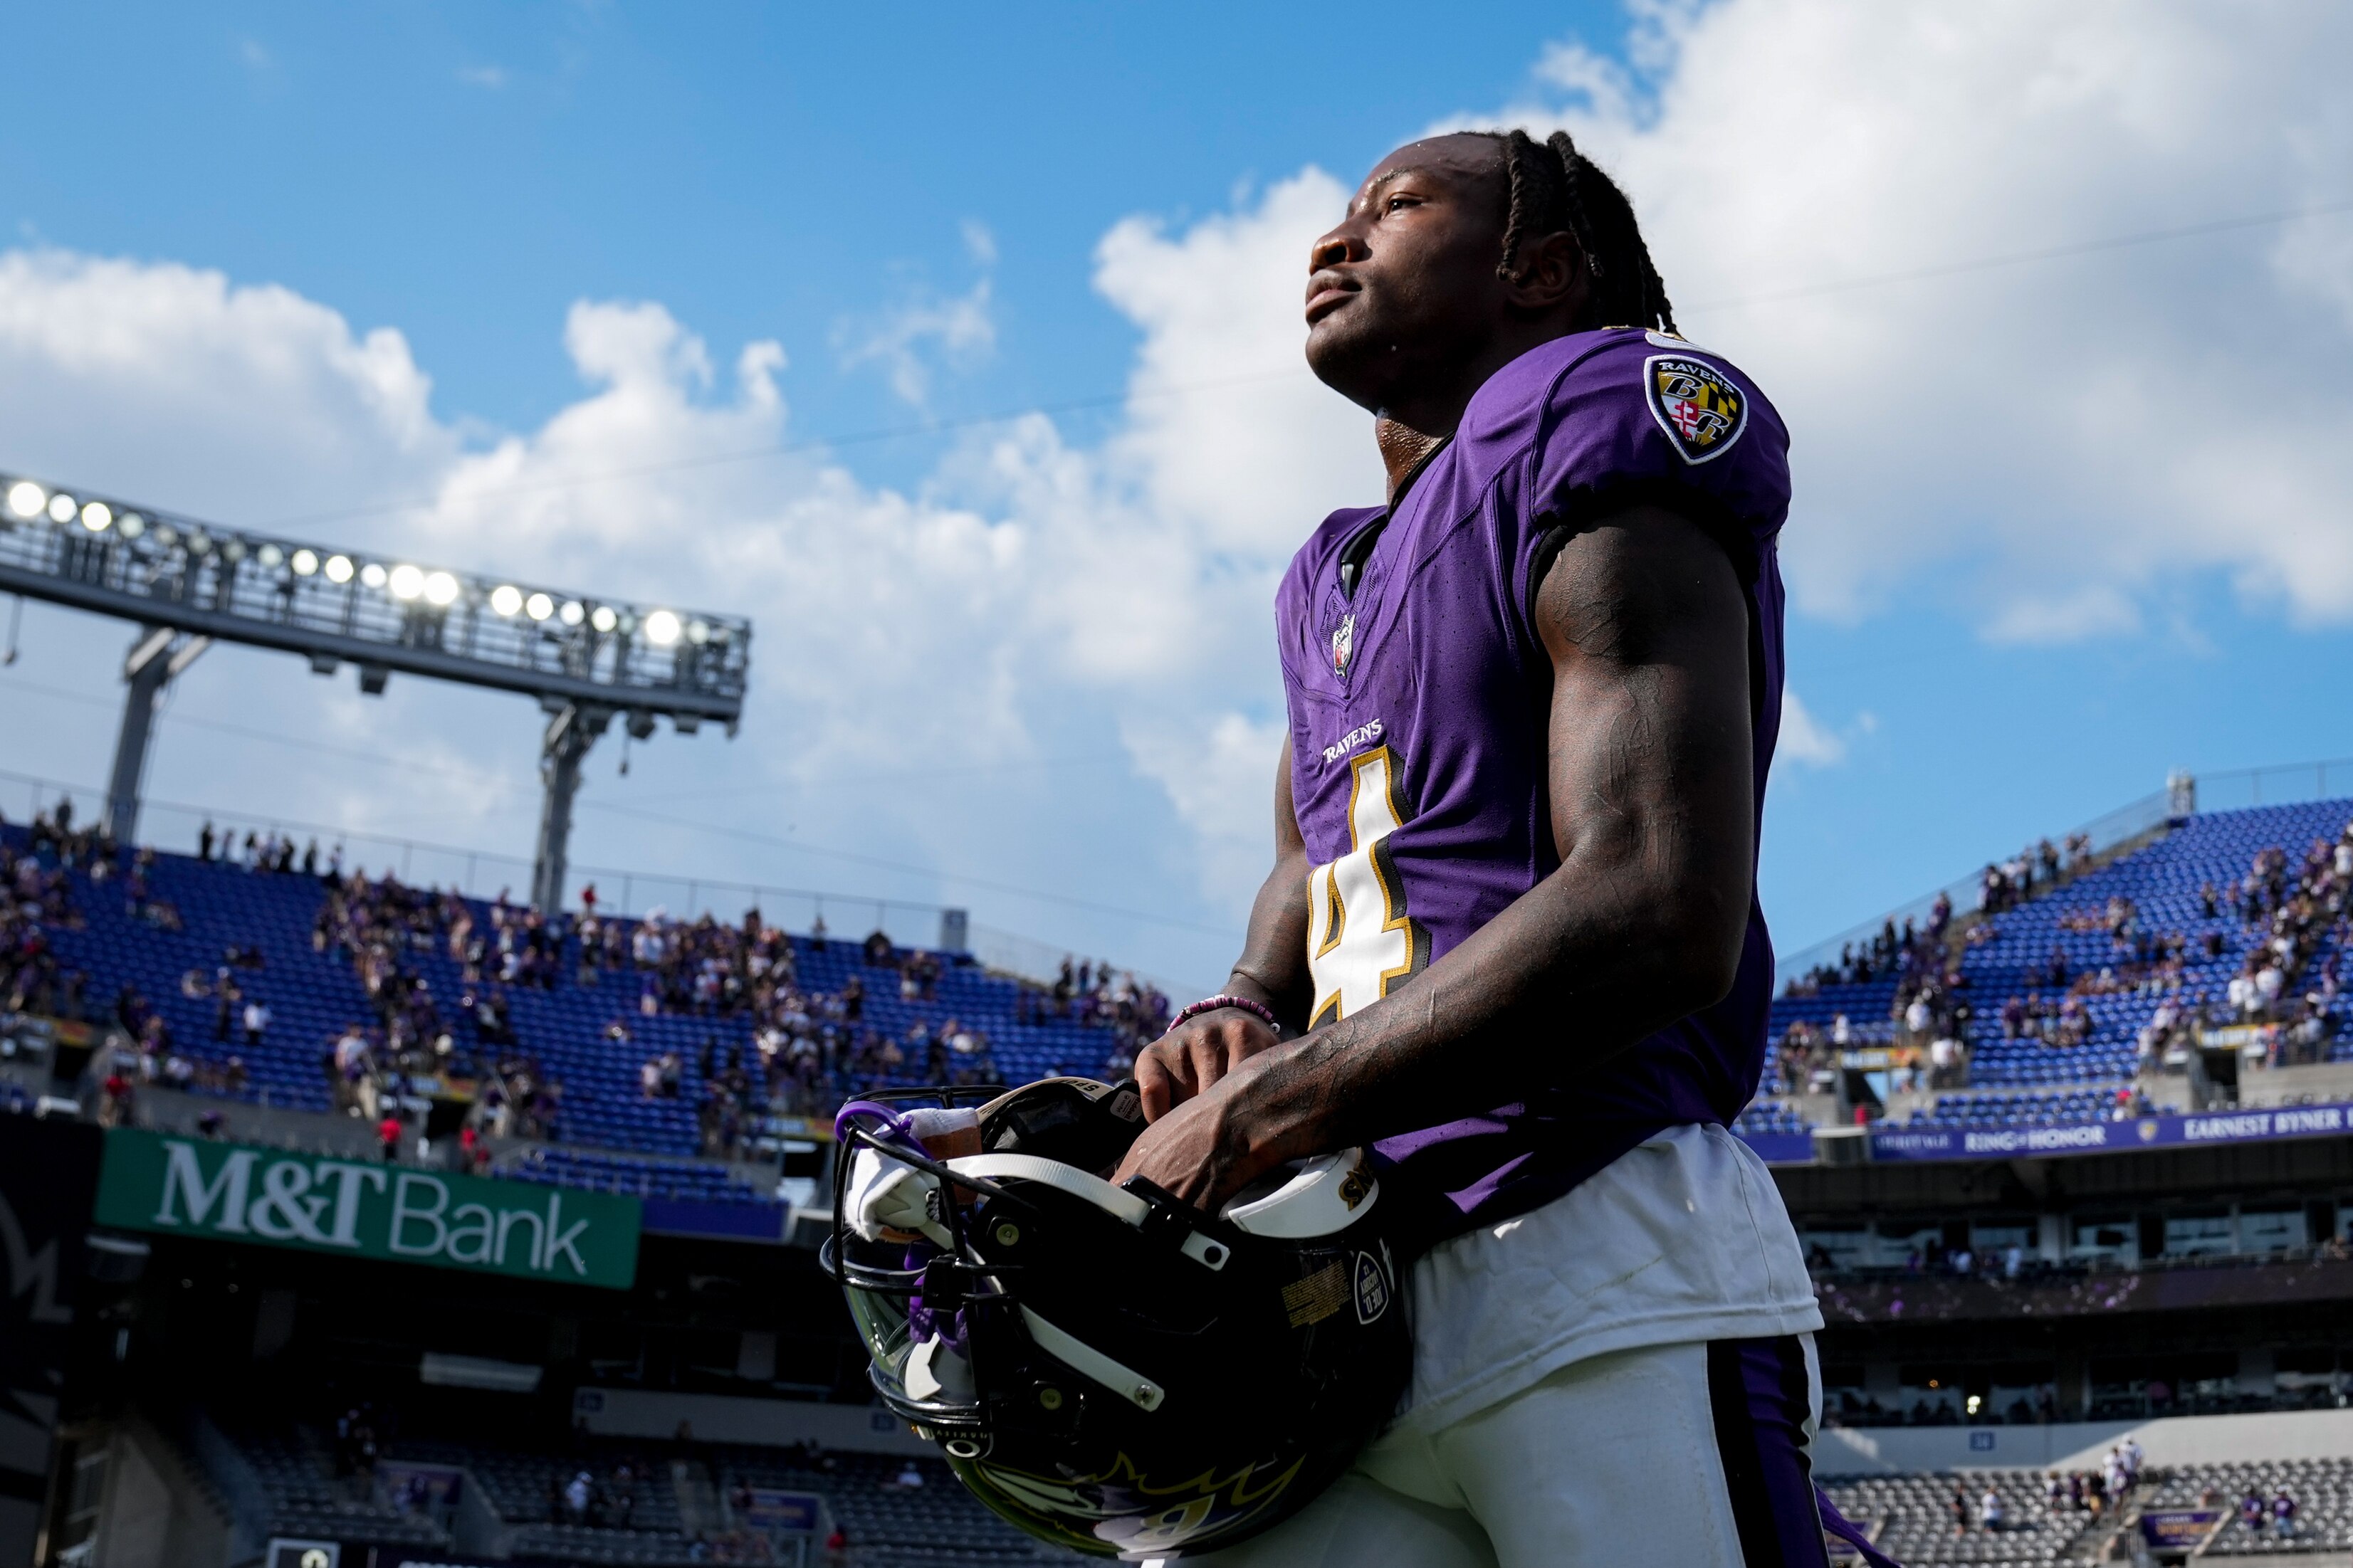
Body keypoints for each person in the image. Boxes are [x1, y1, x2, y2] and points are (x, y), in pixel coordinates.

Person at [1113, 129, 1827, 1567]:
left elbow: (1655, 902)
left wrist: (1264, 1113)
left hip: (1587, 1234)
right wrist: (1246, 1005)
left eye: (1396, 207)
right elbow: (1316, 853)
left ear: (1542, 266)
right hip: (1346, 1284)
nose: (1334, 239)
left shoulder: (1596, 407)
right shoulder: (1336, 566)